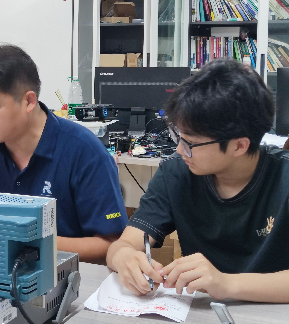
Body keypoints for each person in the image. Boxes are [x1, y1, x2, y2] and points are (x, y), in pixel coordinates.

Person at [106, 58, 289, 303]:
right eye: (178, 137)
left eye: (191, 143)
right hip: (199, 313)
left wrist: (226, 284)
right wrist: (125, 257)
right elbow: (122, 245)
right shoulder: (176, 173)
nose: (180, 150)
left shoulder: (283, 179)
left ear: (239, 146)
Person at [0, 43, 127, 263]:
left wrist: (27, 242)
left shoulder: (84, 152)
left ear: (29, 101)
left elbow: (112, 245)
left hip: (65, 276)